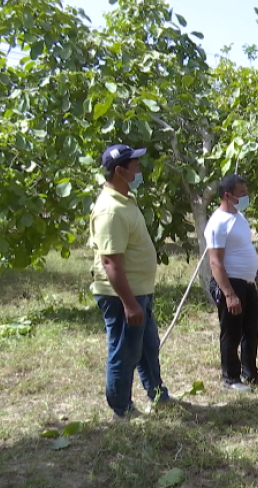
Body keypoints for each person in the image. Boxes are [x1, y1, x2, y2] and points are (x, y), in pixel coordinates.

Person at [89, 143, 171, 420]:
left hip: (139, 292)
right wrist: (129, 303)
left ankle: (158, 395)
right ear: (120, 171)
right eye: (134, 164)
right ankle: (121, 410)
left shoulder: (126, 199)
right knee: (124, 352)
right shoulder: (110, 210)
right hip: (123, 296)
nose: (139, 167)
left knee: (148, 347)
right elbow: (110, 261)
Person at [204, 173, 258, 393]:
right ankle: (230, 378)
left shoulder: (239, 218)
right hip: (231, 283)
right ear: (227, 195)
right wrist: (229, 294)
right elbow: (215, 263)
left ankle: (249, 372)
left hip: (247, 282)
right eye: (242, 193)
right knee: (231, 331)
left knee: (251, 329)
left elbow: (245, 250)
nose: (246, 196)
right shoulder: (218, 223)